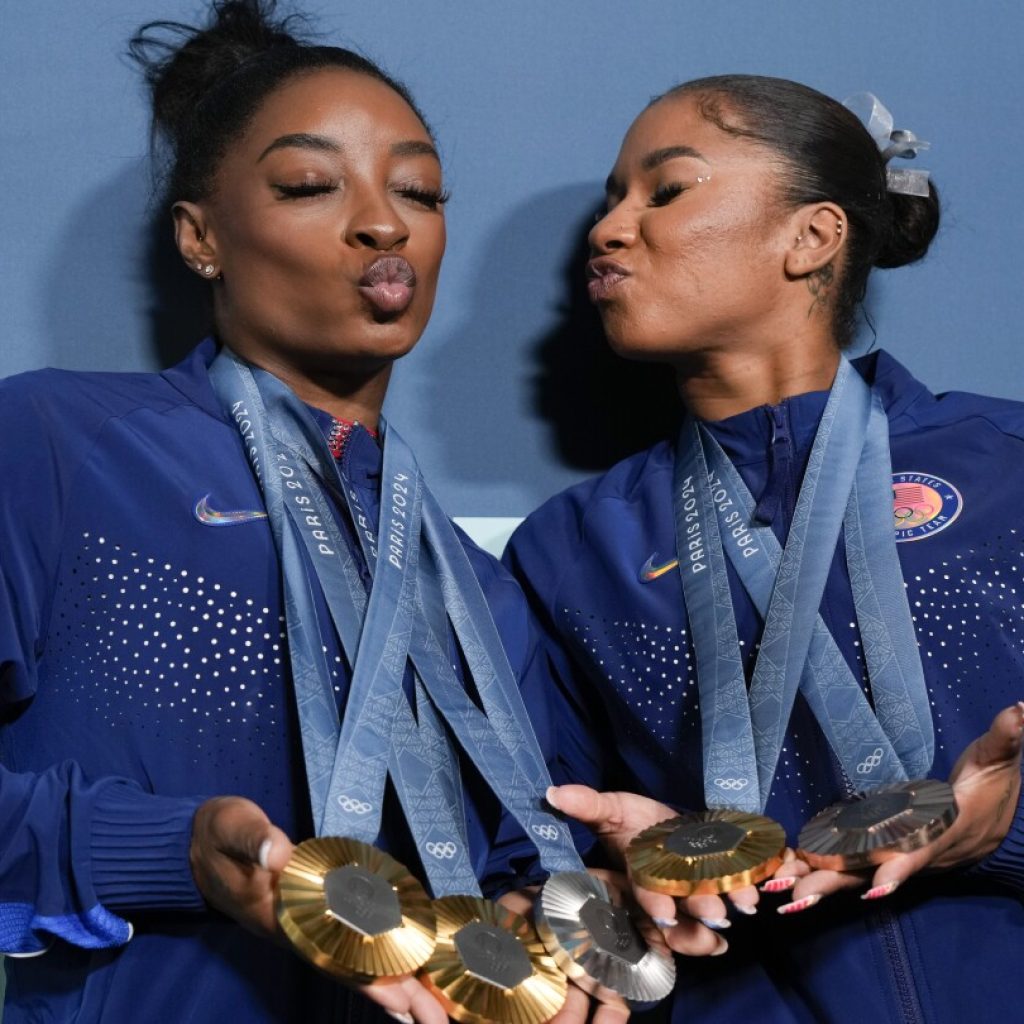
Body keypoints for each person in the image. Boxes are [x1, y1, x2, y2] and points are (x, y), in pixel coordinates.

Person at [0, 3, 599, 1022]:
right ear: (200, 237)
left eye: (418, 189)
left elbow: (511, 886)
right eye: (310, 185)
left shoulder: (482, 590)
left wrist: (574, 932)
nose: (383, 221)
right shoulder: (61, 443)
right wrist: (177, 850)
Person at [505, 75, 1024, 1023]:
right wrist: (608, 868)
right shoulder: (572, 548)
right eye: (611, 201)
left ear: (811, 237)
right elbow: (546, 836)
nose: (610, 229)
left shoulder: (1008, 467)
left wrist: (998, 831)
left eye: (665, 192)